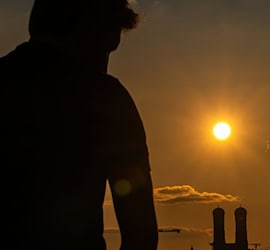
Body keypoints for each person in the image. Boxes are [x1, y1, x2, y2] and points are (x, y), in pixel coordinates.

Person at [1, 0, 158, 249]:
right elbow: (141, 232)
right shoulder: (107, 99)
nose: (105, 64)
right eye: (106, 49)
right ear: (84, 29)